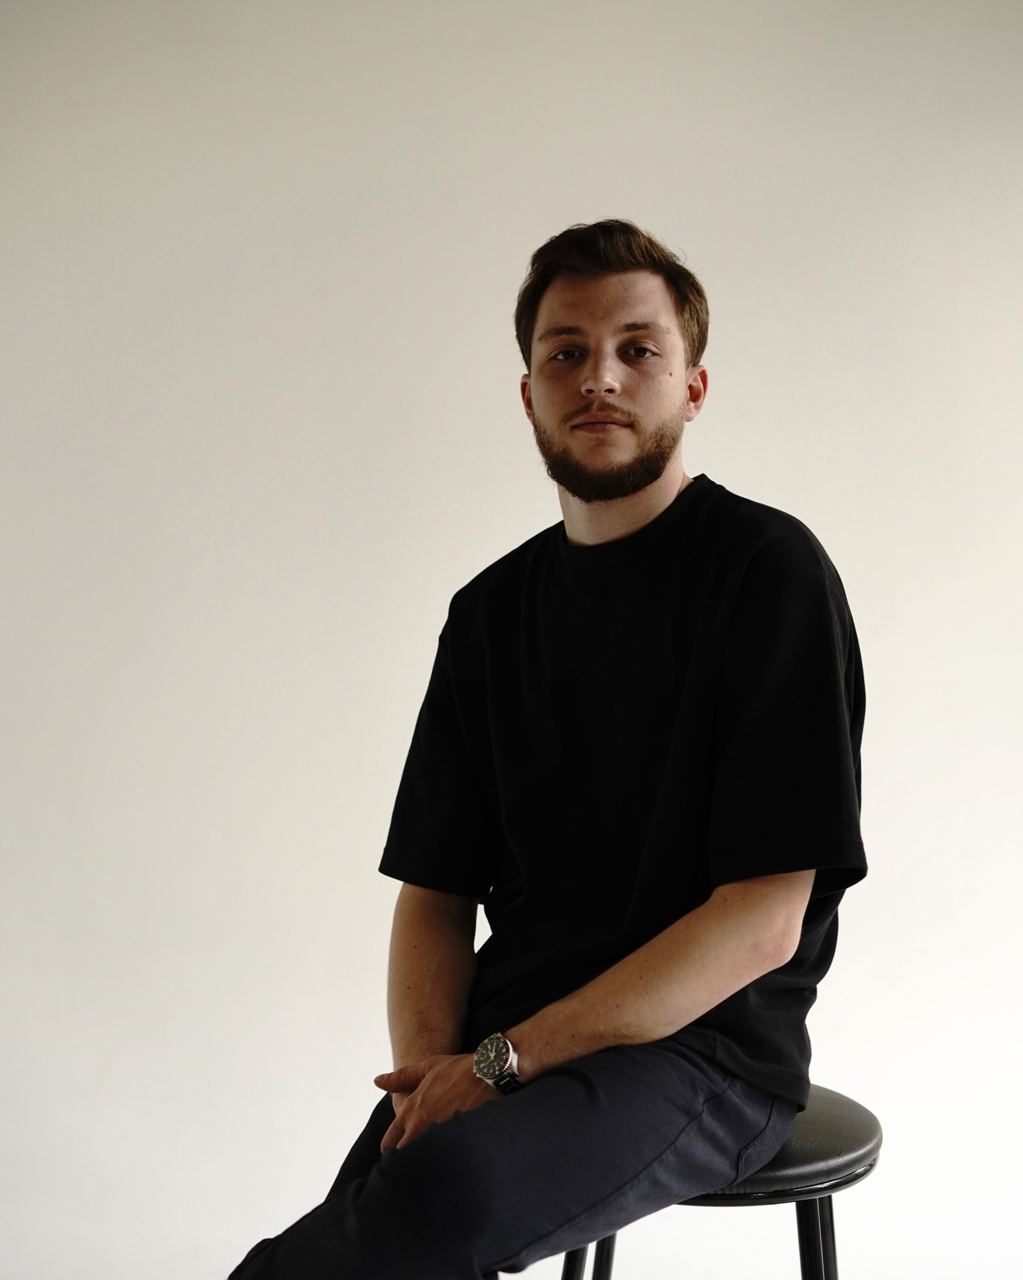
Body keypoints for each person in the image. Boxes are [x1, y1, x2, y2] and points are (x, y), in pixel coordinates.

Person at [228, 219, 867, 1279]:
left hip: (704, 1052)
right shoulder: (489, 614)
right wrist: (430, 1075)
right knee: (393, 1206)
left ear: (693, 388)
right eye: (566, 352)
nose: (599, 377)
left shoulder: (769, 573)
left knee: (429, 1203)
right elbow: (433, 894)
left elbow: (761, 922)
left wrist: (499, 1063)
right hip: (508, 1040)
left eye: (637, 349)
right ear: (529, 394)